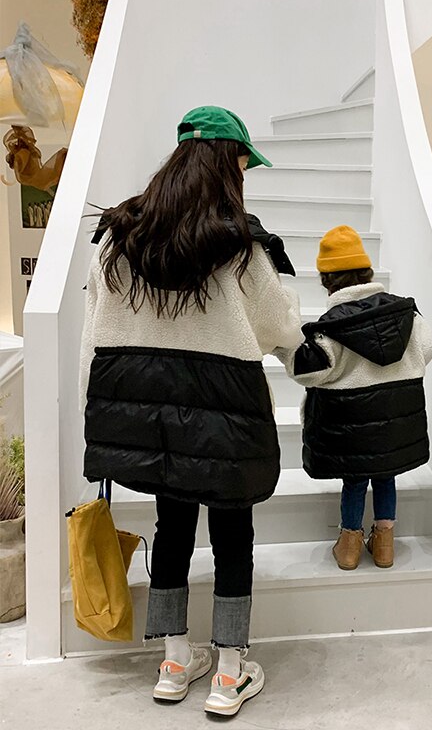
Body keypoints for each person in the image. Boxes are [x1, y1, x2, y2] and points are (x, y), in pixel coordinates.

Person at [80, 106, 301, 716]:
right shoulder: (240, 244)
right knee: (233, 533)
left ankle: (175, 663)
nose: (245, 175)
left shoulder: (119, 237)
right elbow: (278, 327)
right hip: (225, 413)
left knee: (171, 526)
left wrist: (100, 411)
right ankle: (229, 673)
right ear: (228, 163)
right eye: (244, 163)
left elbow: (95, 333)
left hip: (149, 414)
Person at [277, 225, 432, 570]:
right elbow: (428, 347)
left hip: (352, 431)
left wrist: (283, 343)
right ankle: (384, 545)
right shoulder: (405, 315)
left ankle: (349, 546)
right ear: (367, 272)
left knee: (355, 481)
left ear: (327, 280)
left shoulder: (331, 328)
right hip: (394, 426)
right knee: (386, 475)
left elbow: (308, 372)